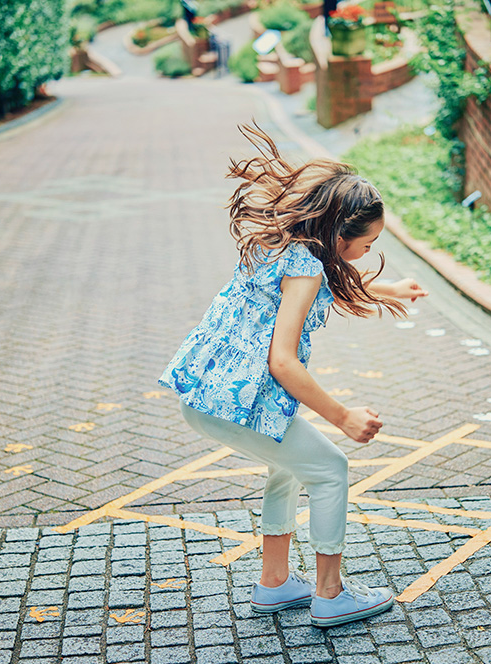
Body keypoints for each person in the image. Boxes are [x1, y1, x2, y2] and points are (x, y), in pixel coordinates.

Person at [158, 123, 428, 628]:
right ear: (337, 233)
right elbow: (282, 361)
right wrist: (343, 416)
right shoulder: (304, 269)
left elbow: (328, 281)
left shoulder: (282, 244)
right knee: (330, 469)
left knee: (286, 467)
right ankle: (330, 595)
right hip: (236, 402)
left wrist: (389, 290)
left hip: (209, 394)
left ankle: (276, 583)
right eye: (366, 243)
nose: (368, 250)